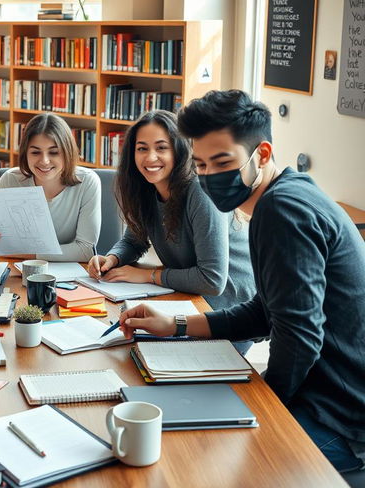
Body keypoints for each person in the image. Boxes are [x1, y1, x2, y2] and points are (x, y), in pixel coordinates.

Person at [118, 90, 365, 474]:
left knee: (210, 457)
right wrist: (178, 325)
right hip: (328, 396)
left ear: (261, 155)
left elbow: (299, 339)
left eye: (222, 162)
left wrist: (264, 407)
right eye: (200, 164)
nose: (209, 177)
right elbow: (265, 311)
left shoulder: (283, 212)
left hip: (341, 415)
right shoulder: (288, 193)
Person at [87, 110, 255, 317]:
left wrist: (147, 275)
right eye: (142, 148)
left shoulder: (201, 191)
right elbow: (134, 241)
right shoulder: (146, 187)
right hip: (187, 296)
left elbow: (212, 280)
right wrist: (112, 258)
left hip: (231, 308)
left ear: (179, 150)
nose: (150, 157)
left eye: (161, 148)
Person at [0, 113, 101, 262]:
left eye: (54, 152)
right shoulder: (10, 180)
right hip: (18, 271)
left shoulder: (87, 182)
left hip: (72, 275)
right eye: (35, 152)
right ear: (25, 153)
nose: (45, 161)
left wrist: (26, 254)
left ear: (67, 152)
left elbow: (85, 251)